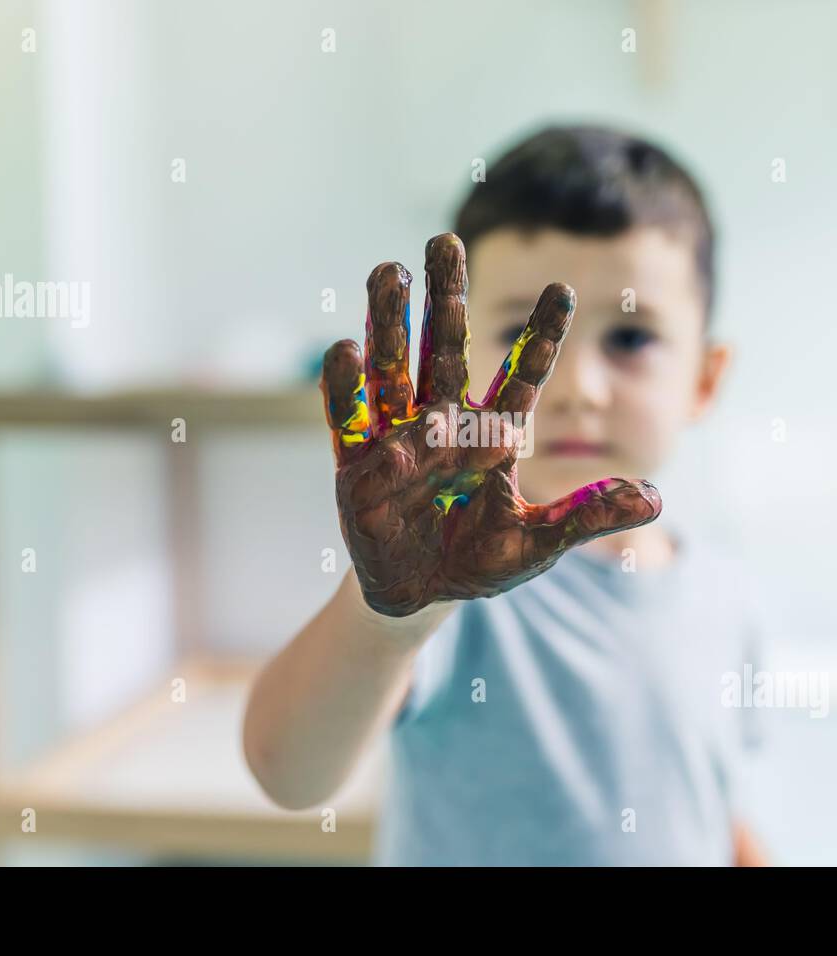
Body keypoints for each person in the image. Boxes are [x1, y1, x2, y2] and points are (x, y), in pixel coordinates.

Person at [243, 124, 770, 866]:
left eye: (630, 338)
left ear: (706, 379)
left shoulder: (726, 591)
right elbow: (287, 768)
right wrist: (395, 616)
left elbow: (704, 799)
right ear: (449, 345)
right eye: (525, 334)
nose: (578, 389)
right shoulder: (463, 586)